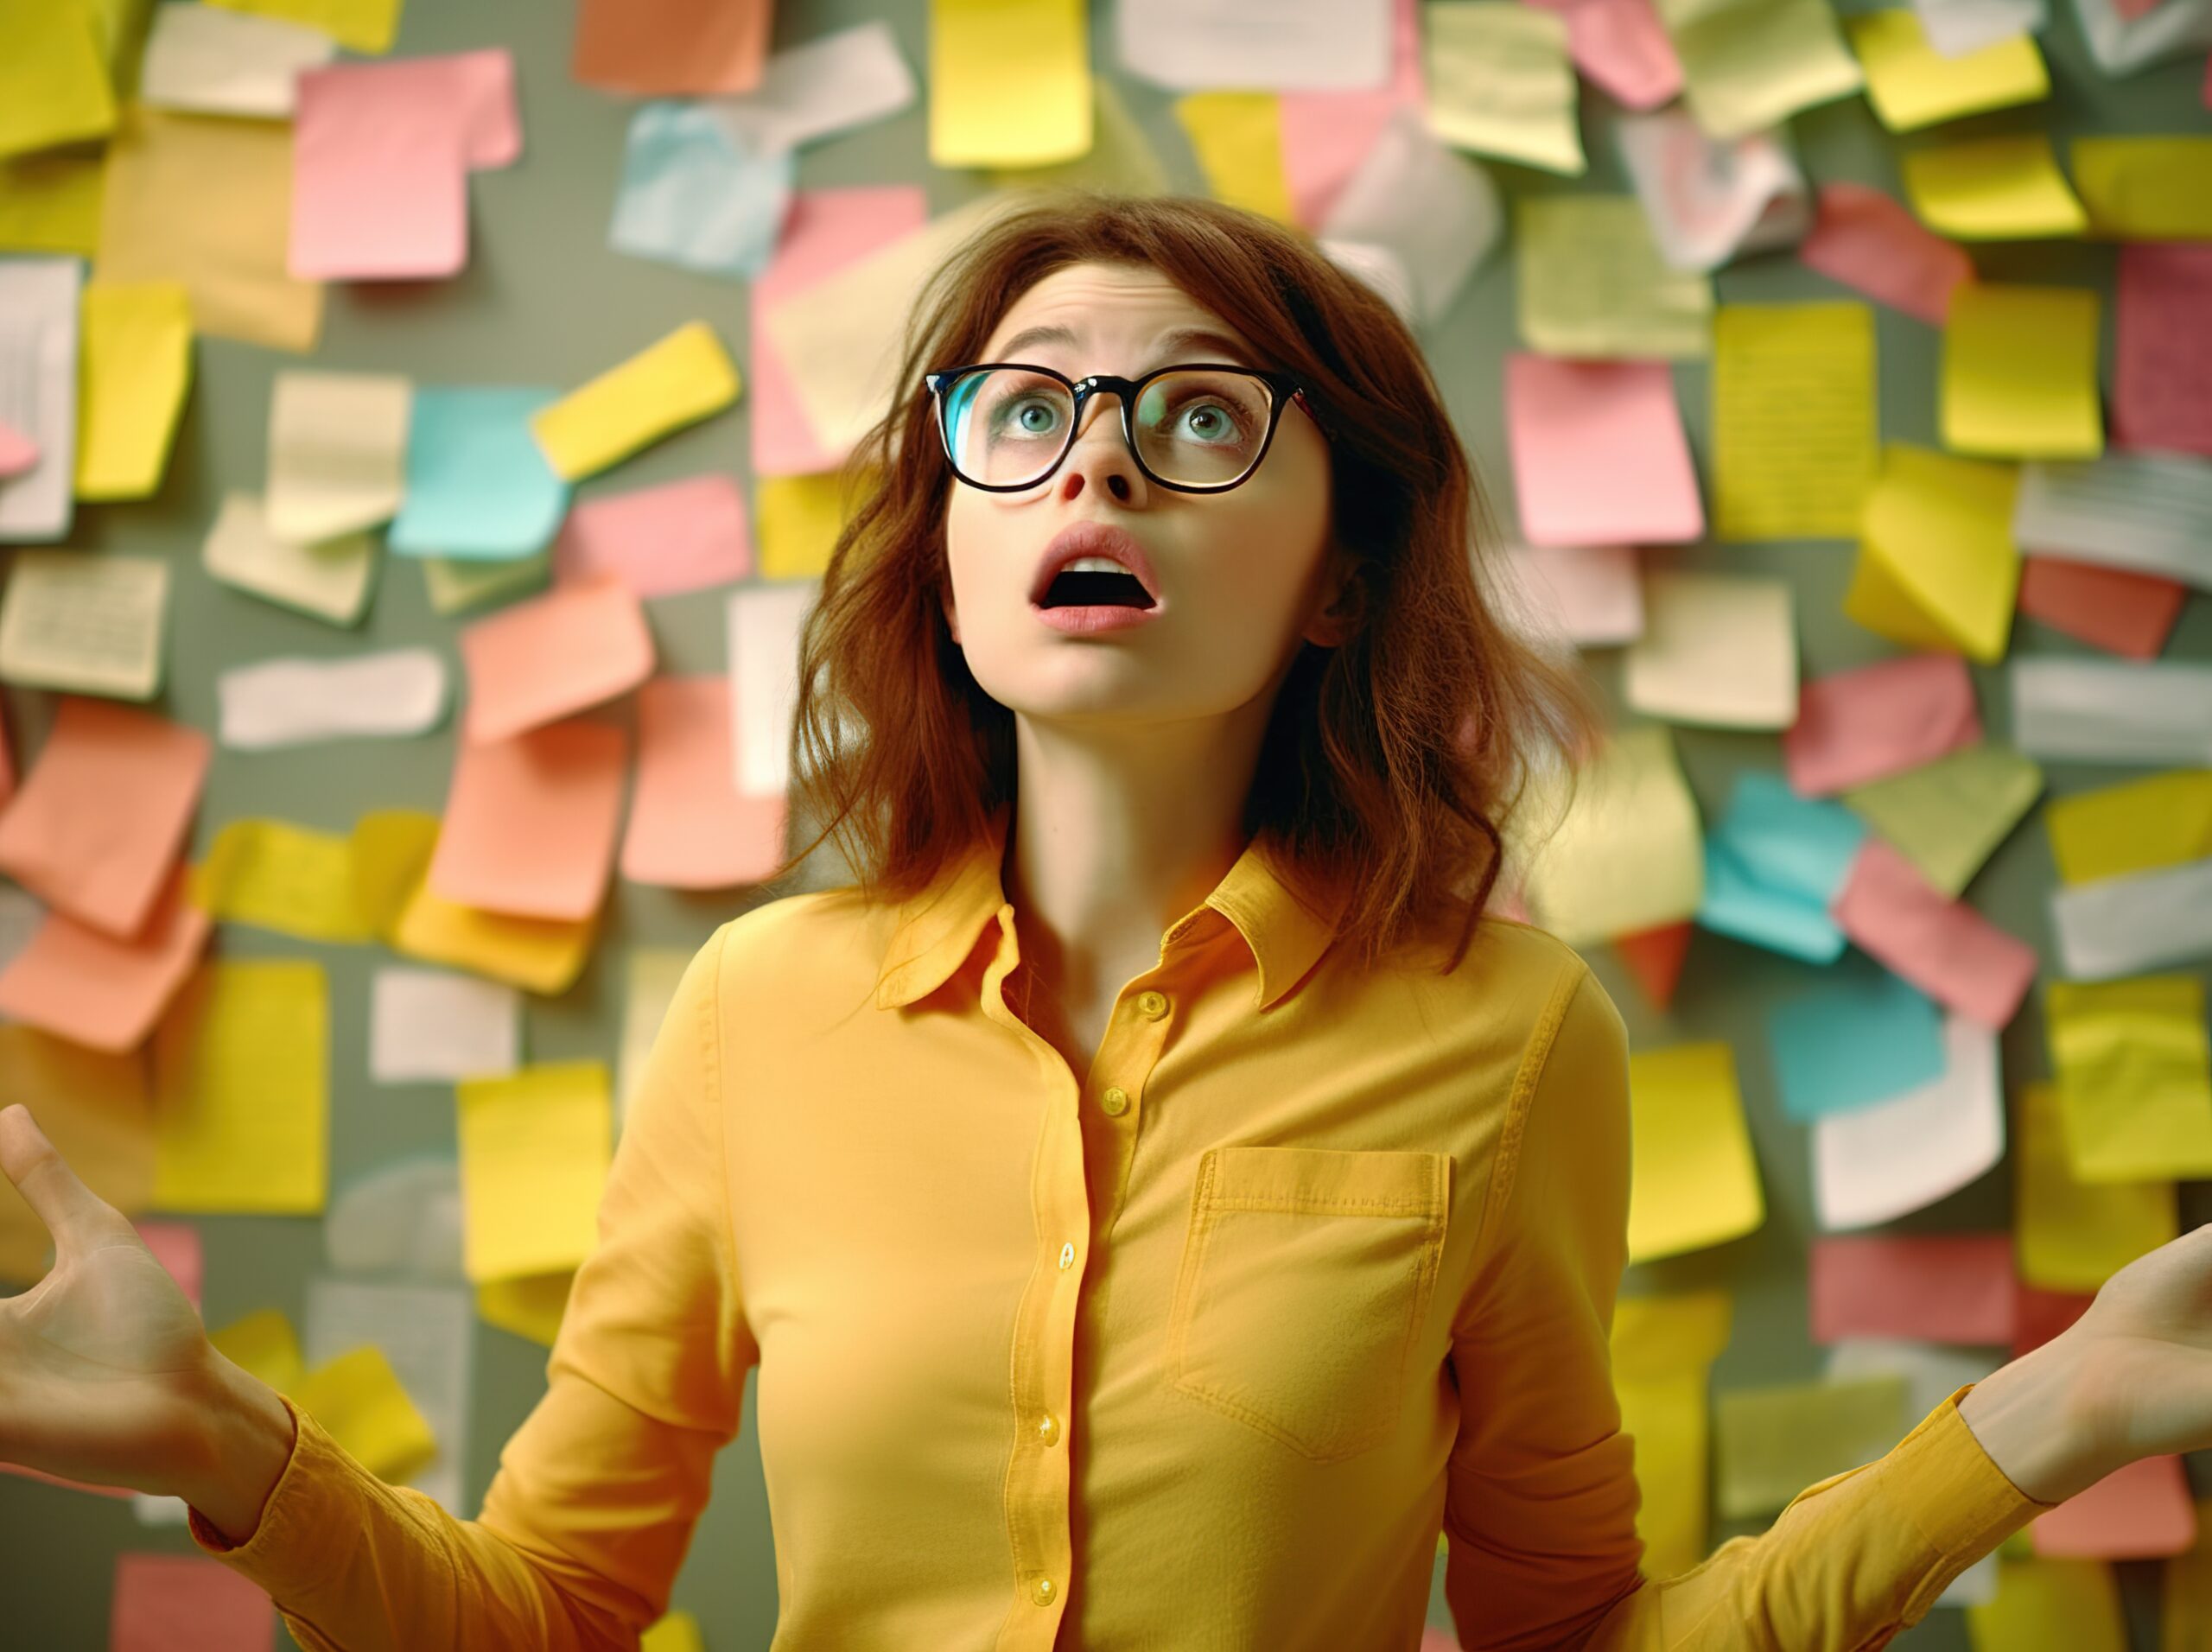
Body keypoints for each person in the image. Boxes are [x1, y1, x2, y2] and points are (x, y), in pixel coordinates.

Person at [0, 192, 2207, 1652]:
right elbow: (555, 1600)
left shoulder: (1511, 1027)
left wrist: (2057, 1410)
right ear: (953, 554)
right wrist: (225, 1446)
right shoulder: (758, 1006)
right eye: (1024, 411)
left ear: (1340, 571)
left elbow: (1572, 1639)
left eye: (1199, 412)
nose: (1098, 465)